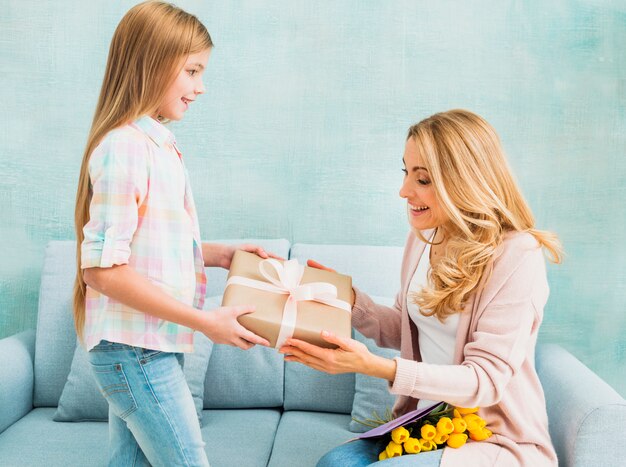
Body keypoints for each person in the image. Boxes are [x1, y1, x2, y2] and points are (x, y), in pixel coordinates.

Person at [280, 109, 562, 466]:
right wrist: (349, 301)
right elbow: (409, 330)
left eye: (423, 179)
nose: (404, 191)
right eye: (406, 172)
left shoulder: (517, 254)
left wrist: (376, 367)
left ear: (465, 180)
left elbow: (485, 380)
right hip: (427, 425)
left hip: (491, 438)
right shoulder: (424, 238)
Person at [73, 2, 277, 465]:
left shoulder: (156, 145)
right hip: (136, 351)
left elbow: (149, 248)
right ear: (153, 63)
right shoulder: (125, 148)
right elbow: (103, 272)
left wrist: (220, 253)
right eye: (192, 71)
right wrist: (205, 322)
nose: (200, 87)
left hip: (147, 348)